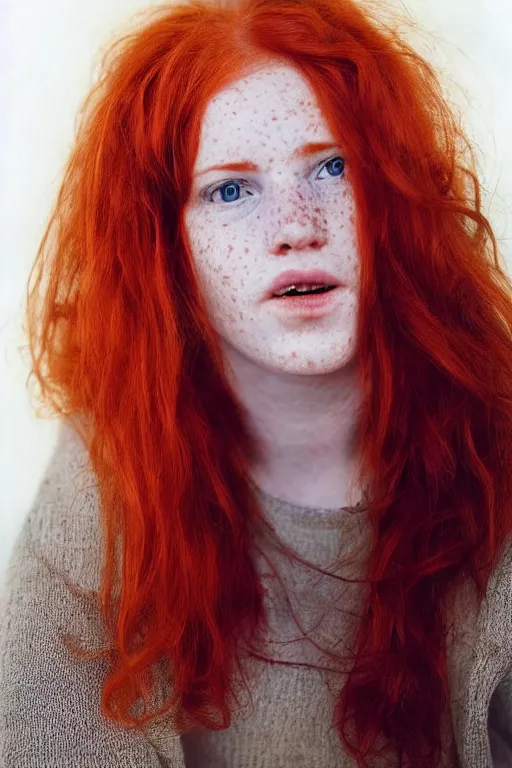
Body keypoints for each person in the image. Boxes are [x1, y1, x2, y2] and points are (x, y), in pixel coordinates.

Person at [1, 0, 512, 765]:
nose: (297, 225)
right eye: (231, 190)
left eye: (333, 166)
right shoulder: (114, 471)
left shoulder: (495, 447)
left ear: (396, 196)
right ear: (166, 250)